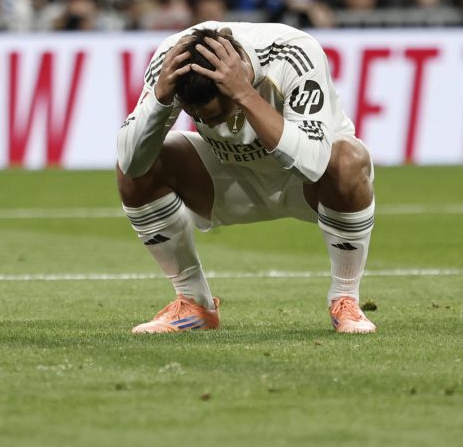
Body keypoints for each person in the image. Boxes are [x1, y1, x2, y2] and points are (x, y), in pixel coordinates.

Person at [116, 23, 377, 334]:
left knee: (347, 161)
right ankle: (193, 303)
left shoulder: (294, 53)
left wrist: (244, 93)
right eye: (195, 115)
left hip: (307, 185)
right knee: (140, 166)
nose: (204, 122)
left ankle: (345, 300)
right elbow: (131, 163)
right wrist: (159, 98)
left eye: (215, 115)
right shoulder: (174, 60)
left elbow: (313, 164)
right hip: (228, 179)